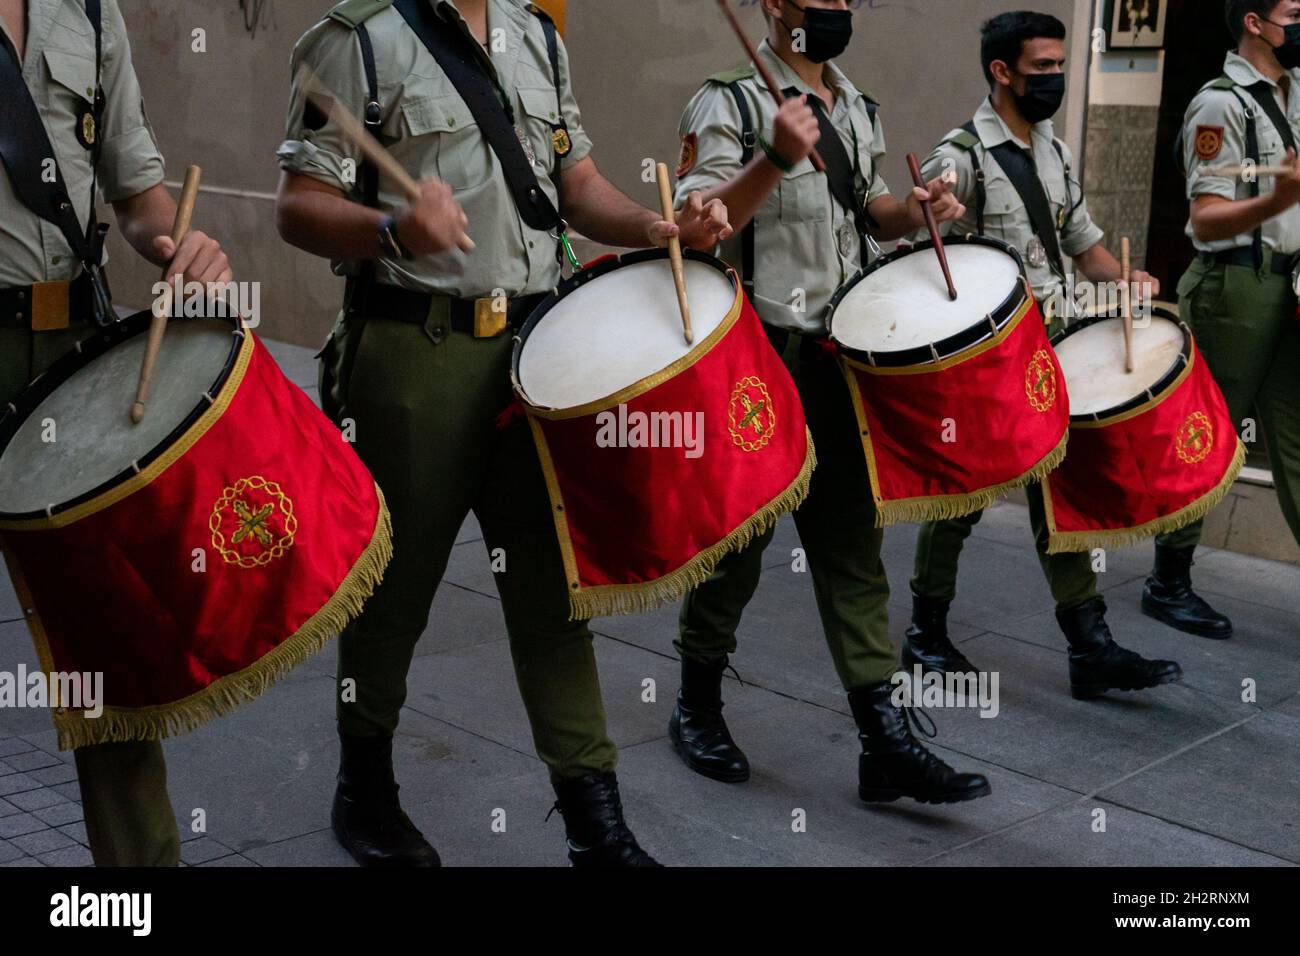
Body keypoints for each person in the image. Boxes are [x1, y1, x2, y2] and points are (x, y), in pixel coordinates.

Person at [275, 0, 732, 867]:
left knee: (552, 589)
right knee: (392, 589)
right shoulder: (359, 39)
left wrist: (651, 225)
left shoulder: (537, 36)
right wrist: (390, 228)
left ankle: (597, 826)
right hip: (416, 353)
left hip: (533, 353)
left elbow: (574, 184)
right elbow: (298, 206)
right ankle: (364, 788)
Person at [668, 0, 992, 806]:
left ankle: (883, 741)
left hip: (841, 354)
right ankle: (695, 704)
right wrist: (772, 158)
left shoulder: (856, 105)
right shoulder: (732, 102)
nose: (838, 6)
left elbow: (869, 212)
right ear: (774, 6)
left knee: (853, 545)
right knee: (740, 542)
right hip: (762, 356)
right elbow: (700, 226)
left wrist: (915, 212)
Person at [0, 0, 231, 865]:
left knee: (108, 655)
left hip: (69, 357)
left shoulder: (89, 11)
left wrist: (177, 247)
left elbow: (135, 194)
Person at [903, 11, 1188, 697]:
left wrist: (1127, 279)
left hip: (1052, 349)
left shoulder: (1054, 152)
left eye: (1062, 67)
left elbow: (1083, 247)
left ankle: (1089, 646)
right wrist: (932, 208)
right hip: (991, 356)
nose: (1055, 79)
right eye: (1042, 70)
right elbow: (929, 244)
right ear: (1002, 72)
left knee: (1058, 491)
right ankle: (925, 631)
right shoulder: (963, 155)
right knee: (961, 495)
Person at [1166, 0, 1300, 592]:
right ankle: (1169, 578)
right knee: (1211, 435)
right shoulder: (1222, 103)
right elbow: (1207, 219)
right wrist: (1276, 203)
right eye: (1293, 11)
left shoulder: (1297, 91)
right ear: (1255, 22)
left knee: (1293, 438)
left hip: (1291, 283)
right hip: (1236, 286)